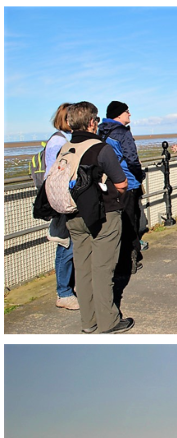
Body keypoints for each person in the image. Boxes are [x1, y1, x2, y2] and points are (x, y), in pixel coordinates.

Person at [64, 101, 134, 334]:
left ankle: (88, 321)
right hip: (103, 214)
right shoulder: (100, 148)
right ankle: (109, 321)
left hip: (73, 214)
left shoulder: (65, 148)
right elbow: (122, 182)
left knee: (82, 269)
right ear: (93, 122)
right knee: (103, 269)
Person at [98, 101, 146, 276]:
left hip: (109, 183)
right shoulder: (123, 133)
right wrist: (139, 176)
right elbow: (132, 158)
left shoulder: (101, 131)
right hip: (127, 182)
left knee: (114, 221)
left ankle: (117, 258)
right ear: (118, 114)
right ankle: (131, 260)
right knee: (130, 220)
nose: (130, 114)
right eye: (127, 111)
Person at [44, 103, 79, 311]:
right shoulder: (59, 142)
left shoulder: (57, 140)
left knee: (68, 244)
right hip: (61, 201)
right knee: (66, 245)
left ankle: (67, 289)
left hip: (59, 199)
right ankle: (64, 292)